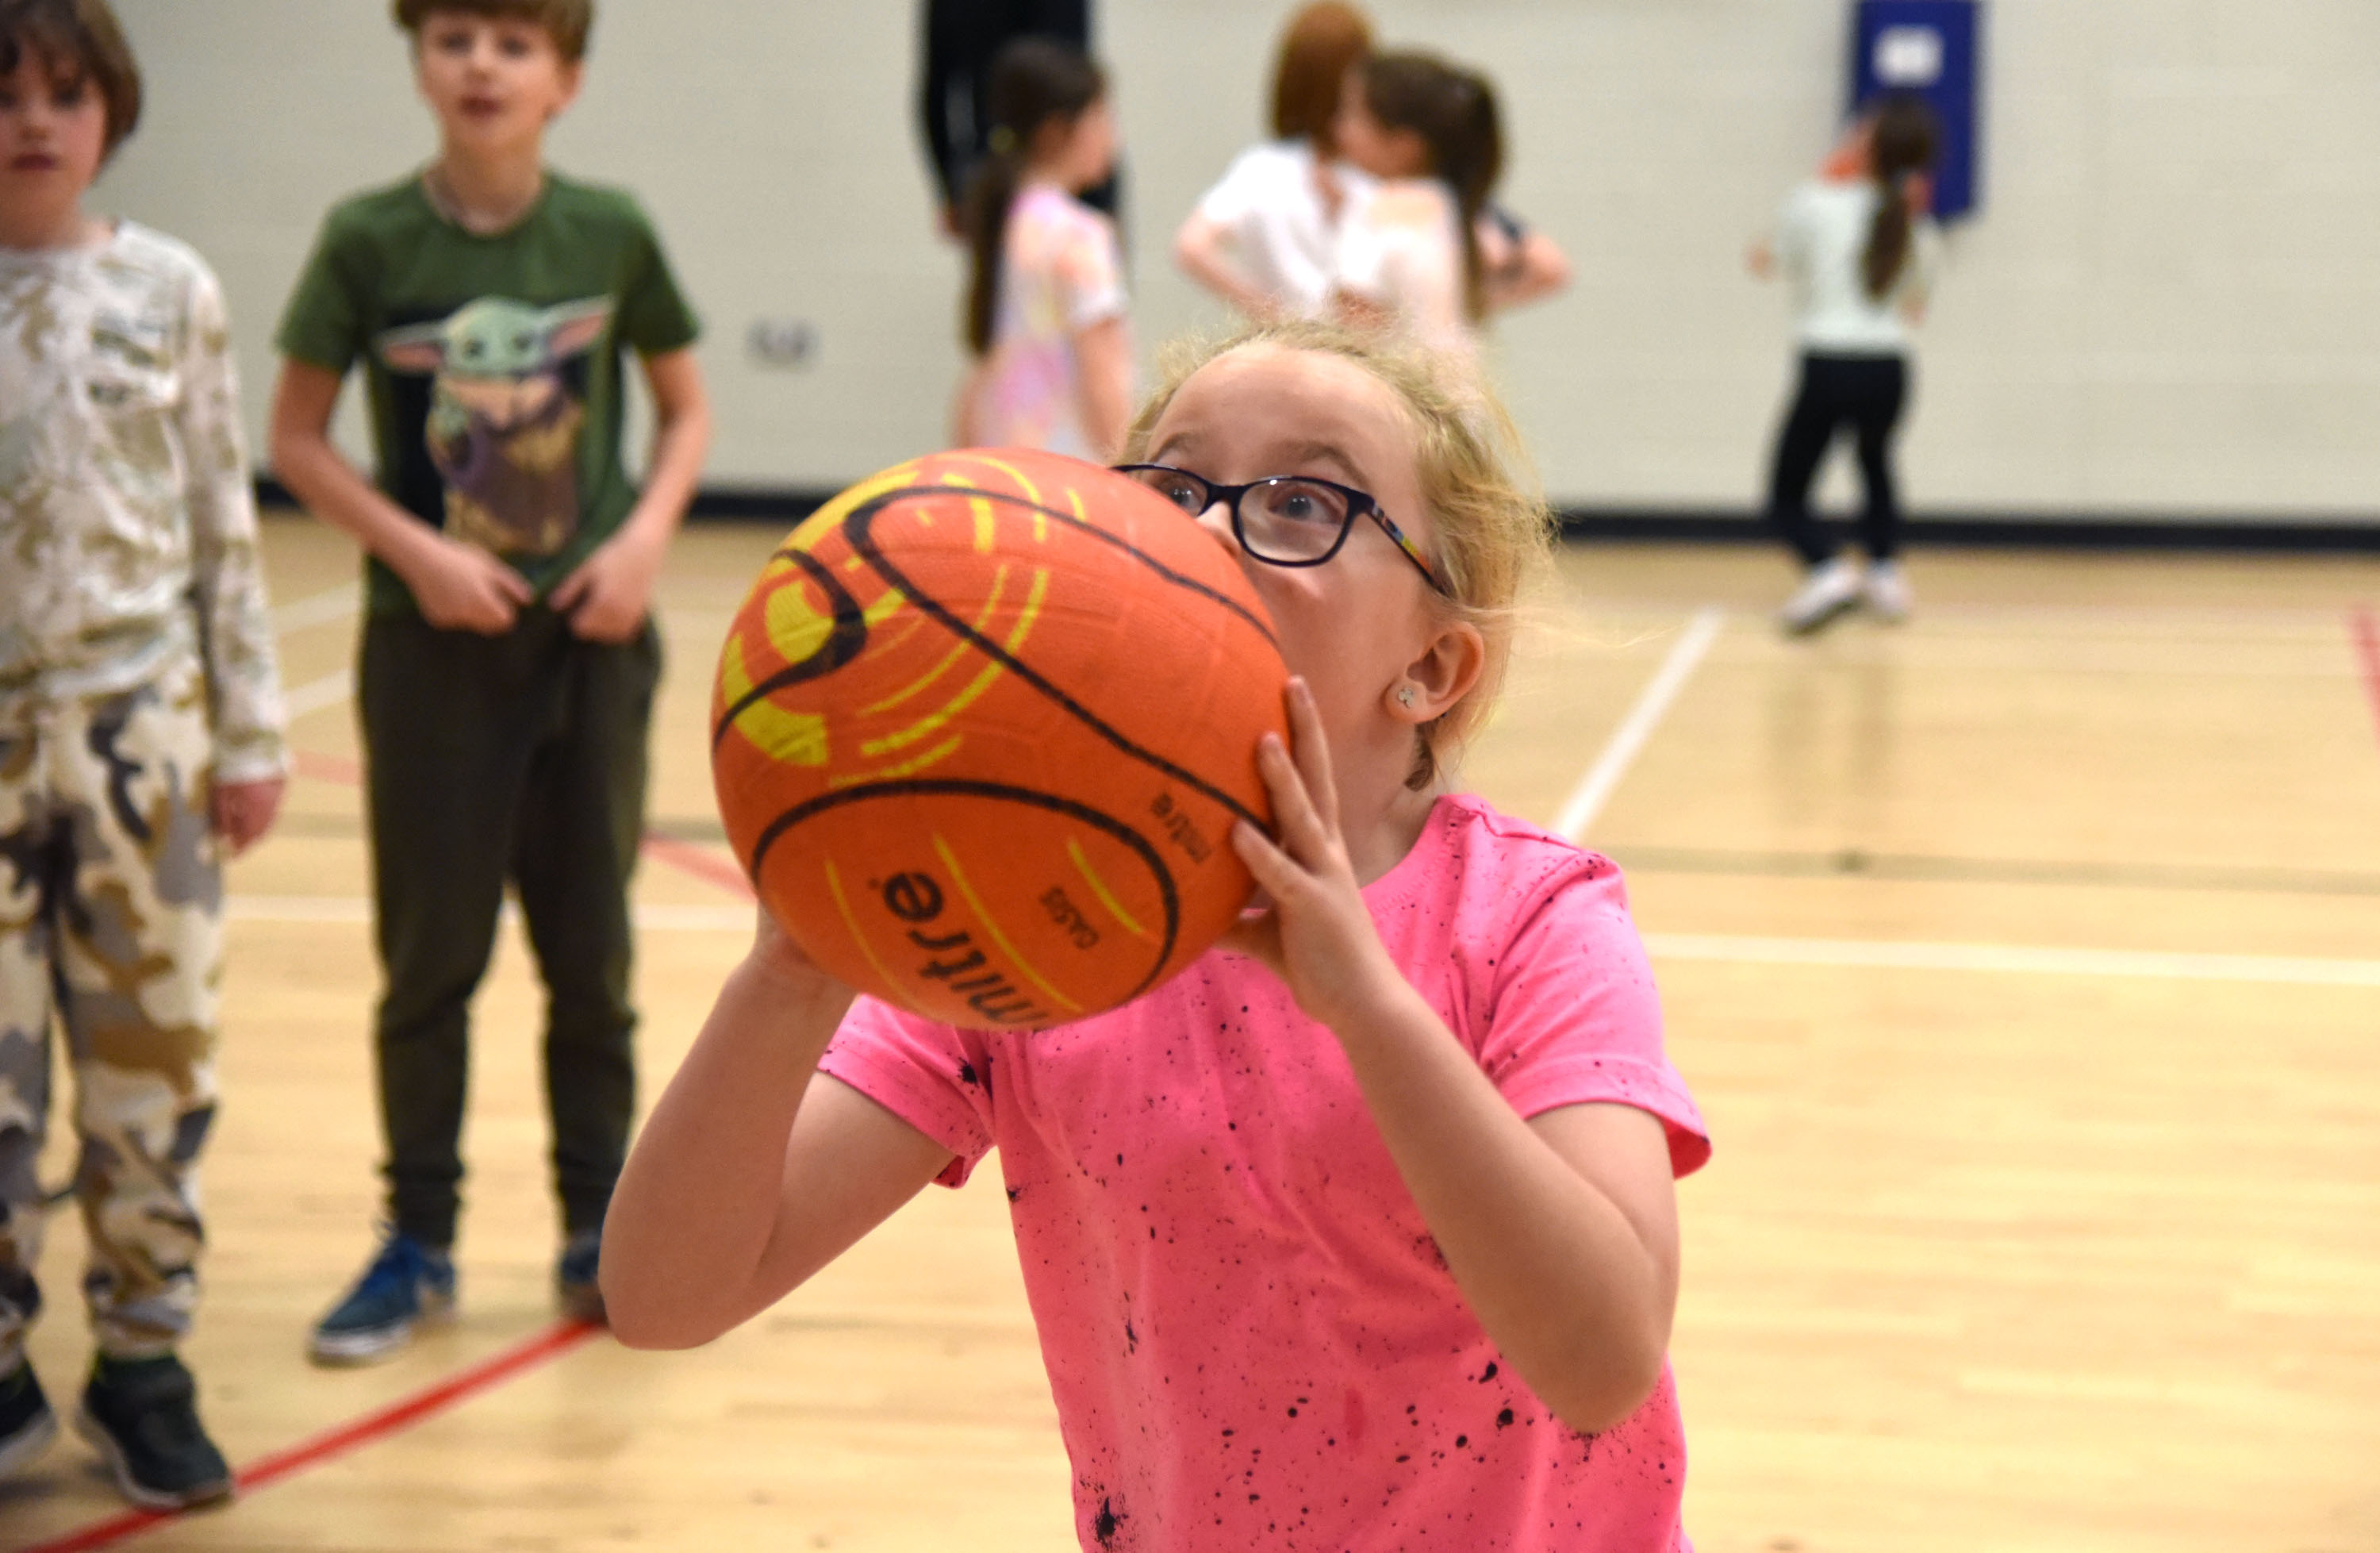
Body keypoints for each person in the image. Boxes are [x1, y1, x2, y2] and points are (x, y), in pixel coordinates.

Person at [601, 317, 1711, 1551]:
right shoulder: (1023, 928)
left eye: (1305, 502)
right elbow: (662, 1297)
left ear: (1433, 667)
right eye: (1173, 486)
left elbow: (1603, 1360)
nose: (1213, 528)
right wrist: (795, 966)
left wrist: (1371, 1014)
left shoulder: (1530, 921)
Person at [267, 0, 710, 1365]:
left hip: (589, 648)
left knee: (592, 962)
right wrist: (415, 555)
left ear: (564, 80)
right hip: (431, 653)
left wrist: (639, 542)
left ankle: (599, 1234)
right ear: (418, 61)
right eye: (455, 37)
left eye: (515, 45)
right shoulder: (366, 238)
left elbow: (686, 408)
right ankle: (418, 1240)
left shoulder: (611, 230)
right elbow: (296, 438)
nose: (481, 66)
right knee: (430, 964)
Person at [0, 0, 287, 1509]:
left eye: (64, 92)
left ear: (110, 105)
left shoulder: (168, 289)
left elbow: (217, 525)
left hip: (140, 733)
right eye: (6, 94)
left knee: (152, 1062)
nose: (34, 120)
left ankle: (145, 1359)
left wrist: (248, 727)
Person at [1176, 8, 1568, 325]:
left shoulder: (1266, 171)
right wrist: (1449, 310)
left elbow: (1192, 245)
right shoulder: (1420, 194)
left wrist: (1276, 316)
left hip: (1336, 369)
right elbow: (1541, 263)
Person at [1748, 94, 1941, 634]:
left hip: (1828, 363)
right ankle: (1885, 572)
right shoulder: (1915, 222)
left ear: (1867, 144)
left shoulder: (1813, 201)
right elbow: (1916, 305)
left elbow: (1765, 260)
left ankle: (1827, 568)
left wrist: (1820, 183)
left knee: (1787, 491)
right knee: (1876, 462)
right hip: (1889, 368)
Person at [951, 36, 1130, 461]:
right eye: (1102, 119)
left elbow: (984, 369)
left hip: (1004, 458)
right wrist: (1131, 468)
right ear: (1056, 132)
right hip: (1069, 468)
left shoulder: (1008, 220)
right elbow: (1101, 375)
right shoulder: (1080, 233)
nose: (1113, 139)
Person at [1329, 49, 1511, 352]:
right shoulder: (1451, 203)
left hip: (1401, 394)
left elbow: (1356, 324)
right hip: (1465, 391)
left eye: (1352, 114)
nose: (1338, 127)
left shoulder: (1375, 206)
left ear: (1405, 146)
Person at [916, 0, 1119, 240]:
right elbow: (1078, 80)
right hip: (1046, 158)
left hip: (994, 164)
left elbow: (936, 94)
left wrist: (952, 188)